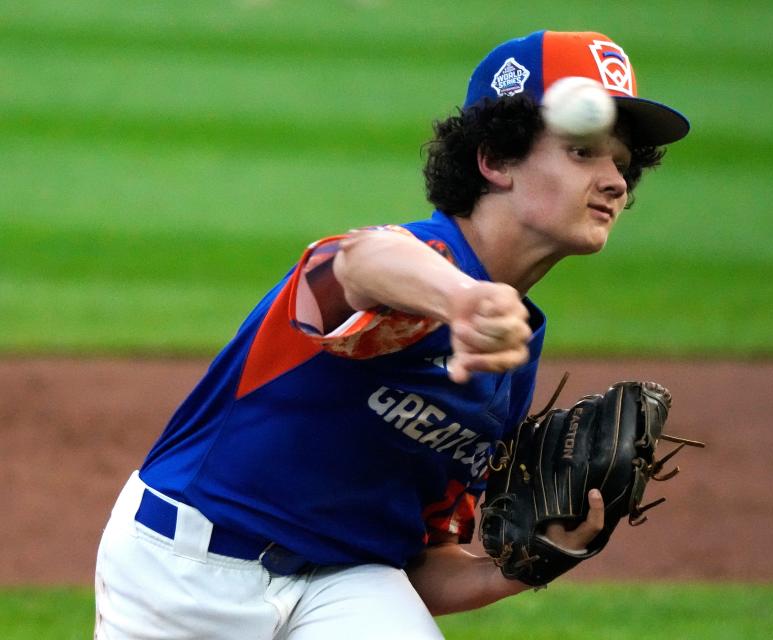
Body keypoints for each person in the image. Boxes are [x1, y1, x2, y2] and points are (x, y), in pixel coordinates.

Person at [94, 30, 689, 639]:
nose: (616, 181)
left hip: (345, 581)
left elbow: (423, 557)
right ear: (495, 159)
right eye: (584, 152)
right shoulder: (421, 261)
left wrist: (525, 566)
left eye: (622, 162)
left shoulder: (514, 349)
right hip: (187, 569)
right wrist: (461, 299)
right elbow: (351, 263)